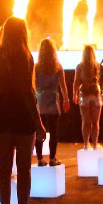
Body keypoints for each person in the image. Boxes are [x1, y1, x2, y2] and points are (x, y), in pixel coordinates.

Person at [0, 17, 42, 204]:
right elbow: (28, 93)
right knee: (24, 168)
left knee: (4, 168)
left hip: (1, 112)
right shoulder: (25, 56)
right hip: (22, 113)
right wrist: (38, 122)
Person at [33, 38, 69, 166]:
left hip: (40, 99)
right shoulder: (57, 66)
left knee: (40, 130)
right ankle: (53, 158)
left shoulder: (36, 67)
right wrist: (66, 99)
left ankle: (40, 159)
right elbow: (63, 86)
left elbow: (33, 85)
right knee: (54, 131)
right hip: (53, 100)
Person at [75, 44, 101, 151]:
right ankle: (94, 143)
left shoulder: (80, 66)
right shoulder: (97, 66)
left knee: (85, 120)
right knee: (95, 121)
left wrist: (74, 94)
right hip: (95, 93)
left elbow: (76, 81)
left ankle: (86, 143)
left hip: (84, 94)